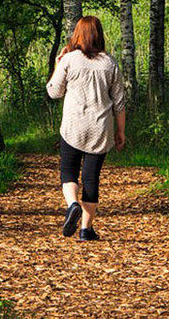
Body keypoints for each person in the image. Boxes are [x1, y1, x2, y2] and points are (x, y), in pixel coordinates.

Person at [46, 16, 126, 241]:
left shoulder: (69, 60)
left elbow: (54, 92)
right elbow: (119, 102)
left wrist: (57, 64)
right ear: (99, 34)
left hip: (73, 127)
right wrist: (121, 132)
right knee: (91, 178)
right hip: (100, 128)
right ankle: (86, 229)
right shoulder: (109, 63)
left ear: (77, 35)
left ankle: (72, 204)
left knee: (69, 170)